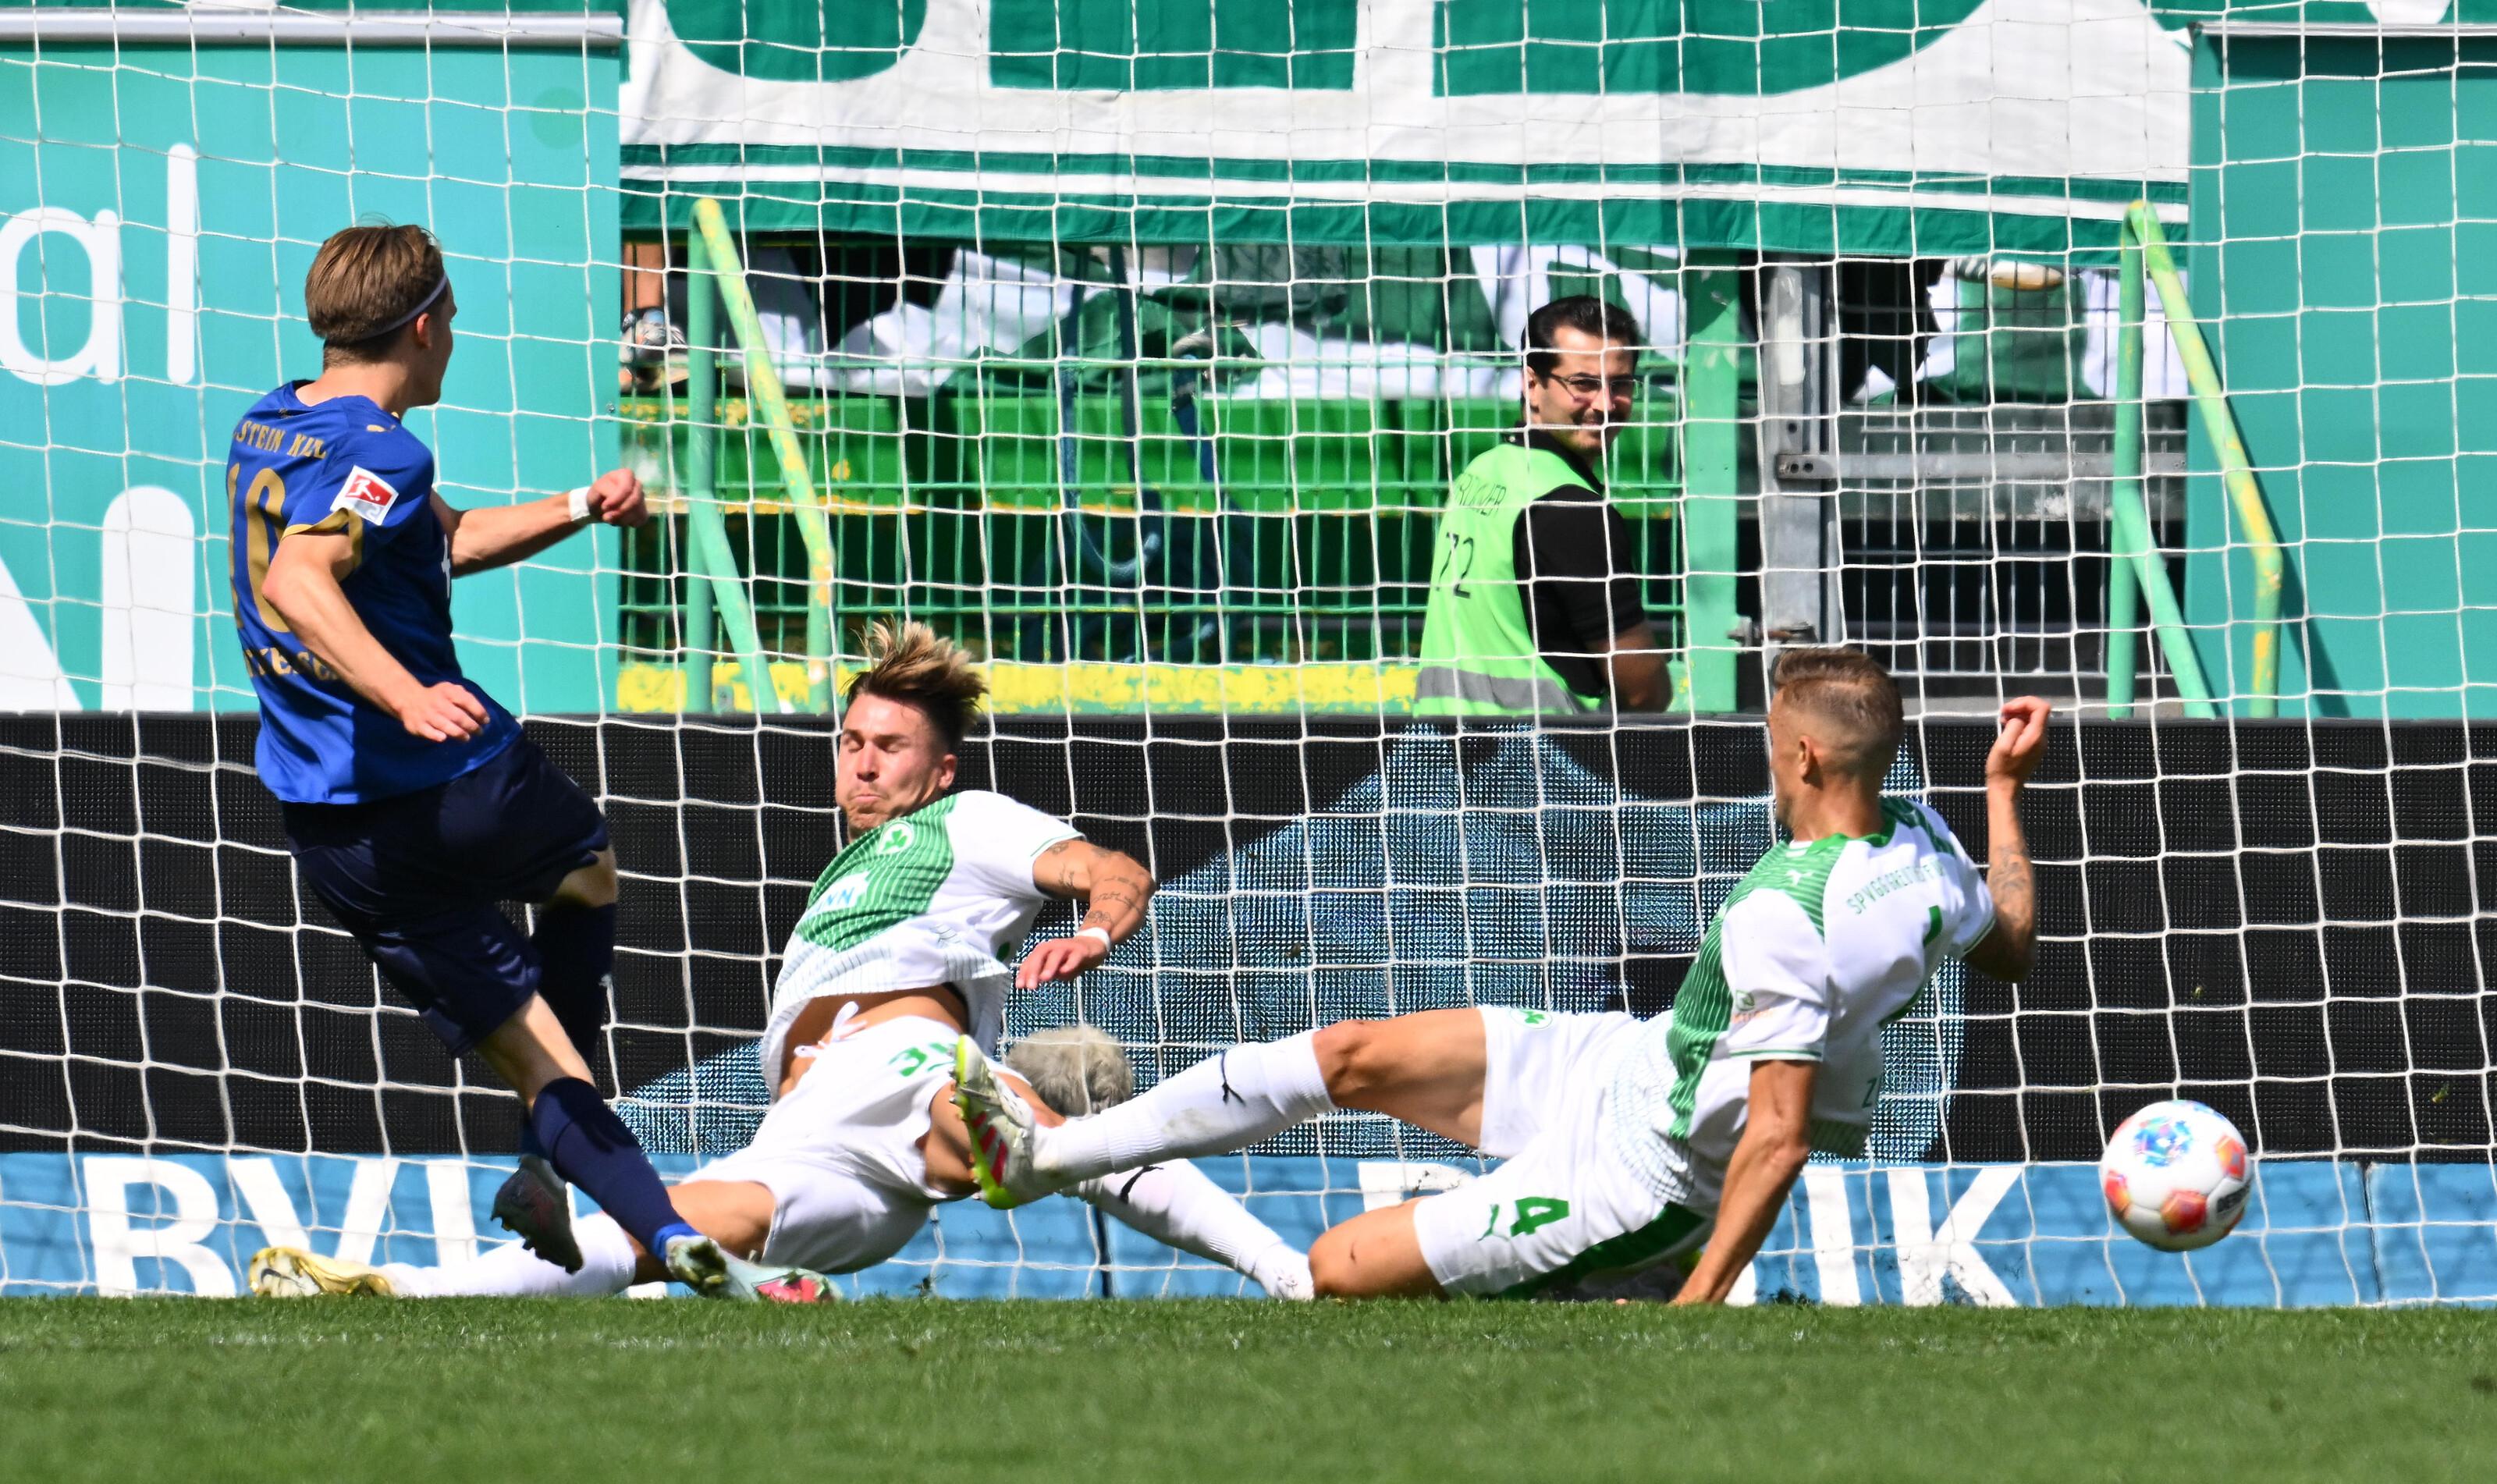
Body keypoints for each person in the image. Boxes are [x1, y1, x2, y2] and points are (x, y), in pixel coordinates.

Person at [251, 622, 1310, 1301]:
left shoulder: (970, 820)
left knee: (1019, 1144)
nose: (860, 759)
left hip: (900, 1063)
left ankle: (1289, 1271)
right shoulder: (839, 875)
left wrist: (1096, 928)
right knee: (660, 1234)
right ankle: (395, 1293)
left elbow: (1112, 867)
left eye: (887, 746)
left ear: (939, 768)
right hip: (808, 1130)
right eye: (851, 738)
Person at [958, 650, 2049, 1301]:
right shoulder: (1922, 844)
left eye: (1771, 739)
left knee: (1338, 1270)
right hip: (1622, 1057)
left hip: (1646, 1175)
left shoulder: (1786, 916)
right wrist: (2001, 785)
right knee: (1349, 1051)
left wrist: (1703, 1302)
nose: (1766, 755)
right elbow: (2006, 939)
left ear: (1806, 759)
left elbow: (1777, 1136)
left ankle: (1633, 1270)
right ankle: (1049, 1154)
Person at [228, 222, 736, 1294]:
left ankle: (662, 1230)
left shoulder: (270, 427)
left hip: (332, 828)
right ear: (424, 324)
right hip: (446, 778)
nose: (455, 338)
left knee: (538, 1049)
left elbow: (437, 538)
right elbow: (300, 584)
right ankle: (555, 1166)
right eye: (452, 319)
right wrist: (408, 694)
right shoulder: (386, 447)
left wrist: (573, 507)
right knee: (589, 864)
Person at [1415, 295, 1668, 716]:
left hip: (1437, 752)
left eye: (1620, 384)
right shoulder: (1572, 510)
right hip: (1538, 766)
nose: (1605, 405)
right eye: (1583, 383)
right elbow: (1644, 692)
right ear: (1532, 383)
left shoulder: (1482, 472)